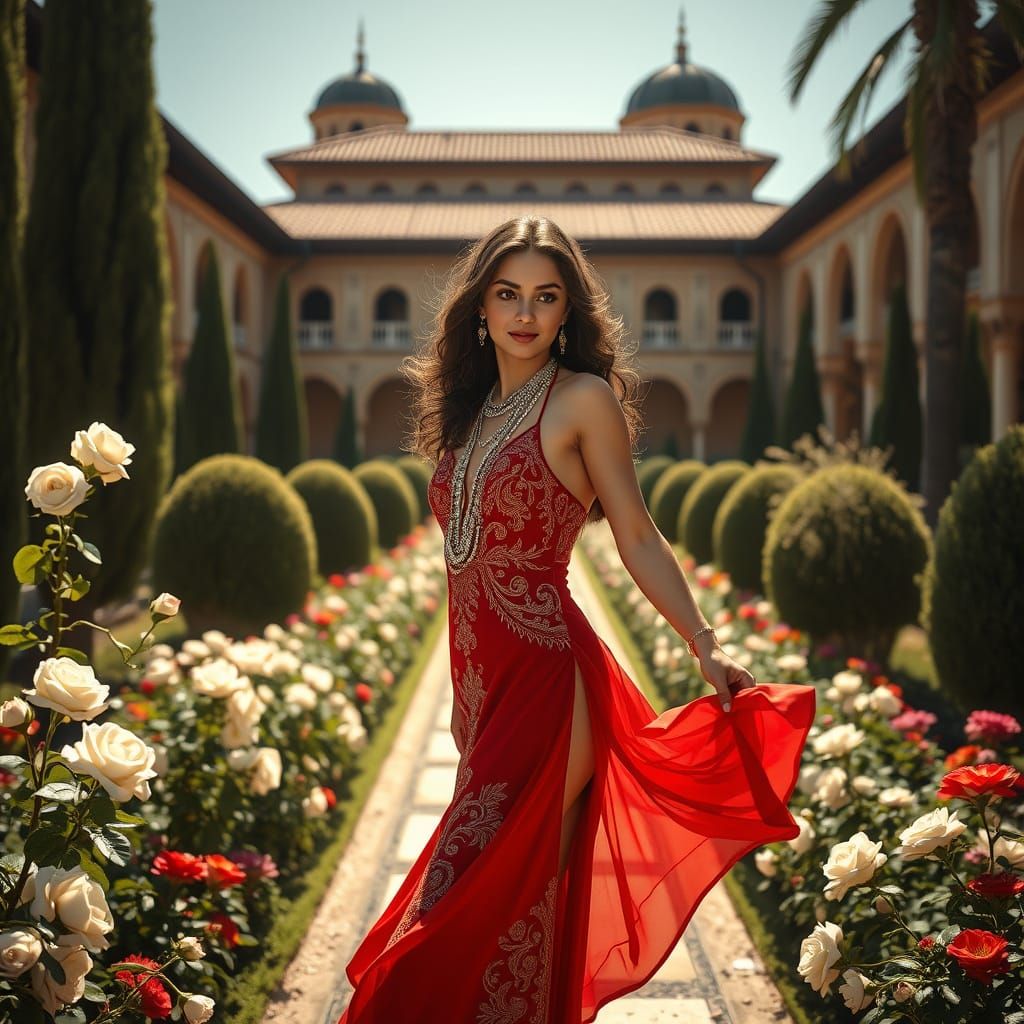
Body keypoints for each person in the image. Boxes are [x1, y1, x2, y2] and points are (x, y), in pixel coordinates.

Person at [338, 215, 815, 1023]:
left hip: (551, 683)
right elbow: (462, 571)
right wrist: (464, 699)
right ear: (480, 306)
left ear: (568, 311)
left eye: (546, 296)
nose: (525, 313)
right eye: (508, 294)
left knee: (462, 897)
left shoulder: (583, 400)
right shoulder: (471, 410)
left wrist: (703, 644)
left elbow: (637, 534)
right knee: (524, 902)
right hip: (484, 691)